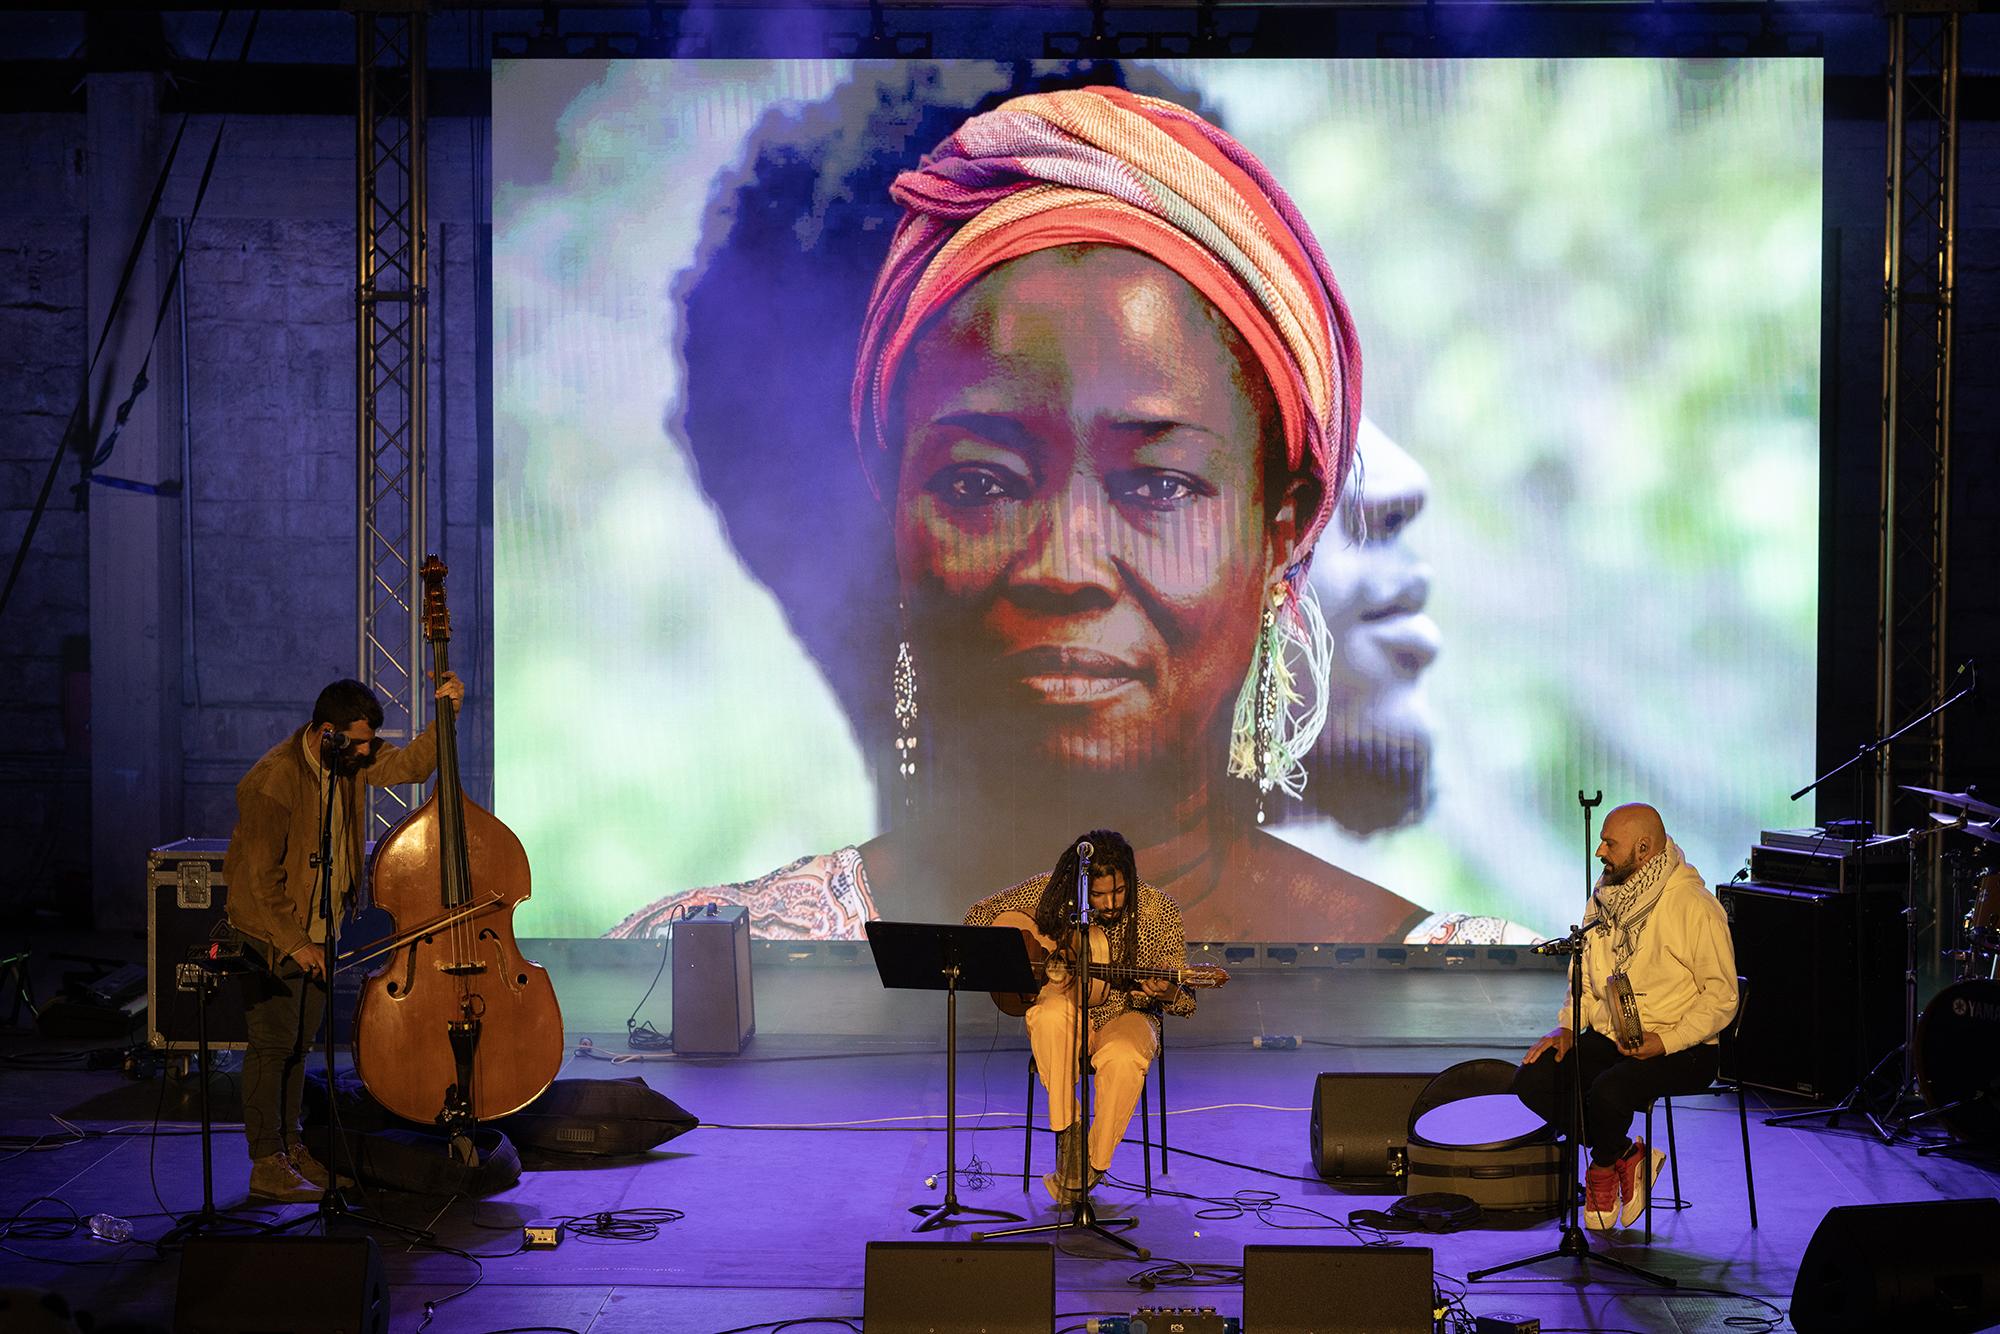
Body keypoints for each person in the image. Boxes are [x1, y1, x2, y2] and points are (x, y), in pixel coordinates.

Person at [612, 82, 1545, 945]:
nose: (1064, 566)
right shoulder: (710, 976)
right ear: (895, 517)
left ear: (1282, 531)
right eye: (980, 485)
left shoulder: (1482, 1013)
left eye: (1159, 486)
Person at [223, 673, 464, 1203]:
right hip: (272, 934)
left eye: (368, 742)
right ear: (324, 732)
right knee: (272, 1046)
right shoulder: (272, 782)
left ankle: (291, 1148)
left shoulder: (348, 757)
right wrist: (296, 943)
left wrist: (445, 715)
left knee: (299, 1046)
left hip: (319, 929)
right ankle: (266, 1163)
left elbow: (410, 766)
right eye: (357, 742)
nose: (366, 752)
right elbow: (262, 881)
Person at [1511, 802, 1738, 1230]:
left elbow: (1723, 997)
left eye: (1609, 843)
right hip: (1617, 1035)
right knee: (1534, 1078)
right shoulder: (1604, 898)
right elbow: (1582, 975)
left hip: (1683, 1047)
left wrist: (1665, 1041)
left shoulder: (1694, 905)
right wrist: (1567, 1026)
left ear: (1643, 849)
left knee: (1608, 1091)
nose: (1600, 851)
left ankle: (1601, 1168)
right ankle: (1626, 1155)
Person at [964, 830, 1193, 1202]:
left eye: (1119, 891)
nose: (1110, 903)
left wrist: (1167, 992)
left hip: (1128, 1014)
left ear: (1130, 878)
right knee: (1048, 1015)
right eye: (1098, 895)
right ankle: (1068, 1132)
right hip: (1069, 1009)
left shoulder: (1159, 910)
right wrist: (1028, 950)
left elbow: (1185, 1002)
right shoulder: (1054, 890)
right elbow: (978, 916)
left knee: (1123, 1056)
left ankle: (1090, 1166)